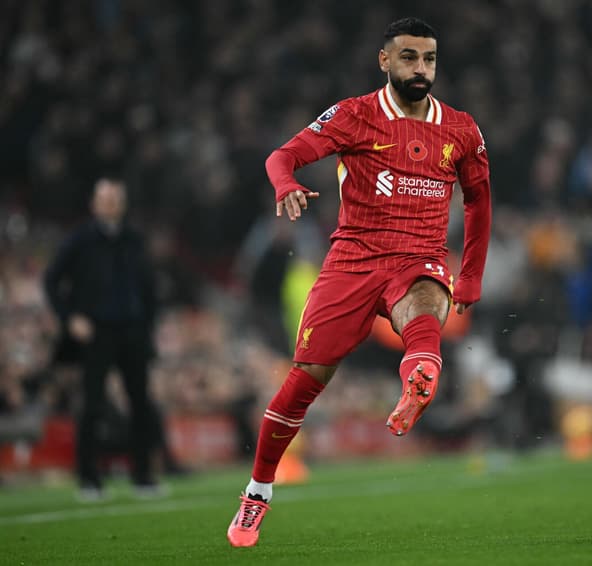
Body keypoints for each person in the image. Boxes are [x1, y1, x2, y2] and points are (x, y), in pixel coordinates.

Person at [226, 17, 491, 547]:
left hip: (418, 258)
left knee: (424, 303)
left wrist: (471, 276)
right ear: (385, 61)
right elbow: (282, 156)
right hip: (352, 260)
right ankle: (257, 493)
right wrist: (286, 184)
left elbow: (480, 201)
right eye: (410, 57)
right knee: (304, 381)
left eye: (430, 59)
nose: (421, 69)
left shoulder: (461, 129)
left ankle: (418, 376)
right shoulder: (354, 115)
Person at [43, 178, 162, 500]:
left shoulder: (134, 239)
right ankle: (88, 478)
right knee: (92, 404)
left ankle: (143, 475)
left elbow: (149, 286)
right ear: (93, 204)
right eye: (105, 199)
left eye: (115, 199)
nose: (110, 204)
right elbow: (51, 280)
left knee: (140, 403)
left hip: (133, 330)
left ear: (122, 203)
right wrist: (70, 318)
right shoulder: (80, 240)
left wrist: (149, 324)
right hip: (97, 332)